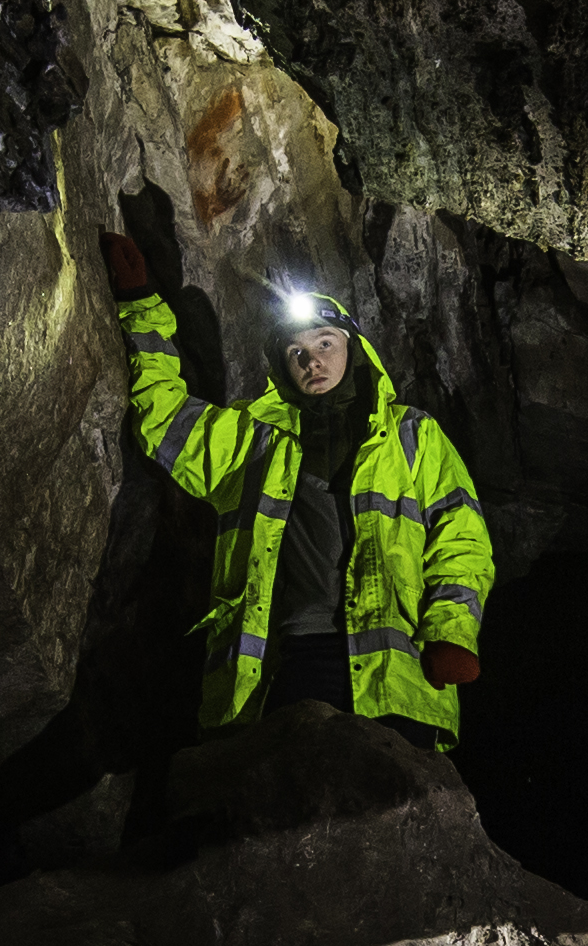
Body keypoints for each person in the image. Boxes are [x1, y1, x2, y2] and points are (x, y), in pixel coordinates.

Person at [107, 230, 492, 747]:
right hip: (291, 663)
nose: (313, 361)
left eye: (325, 344)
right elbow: (165, 423)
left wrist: (451, 633)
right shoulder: (253, 440)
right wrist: (140, 304)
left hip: (399, 674)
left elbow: (461, 537)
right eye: (297, 351)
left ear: (353, 349)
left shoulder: (412, 434)